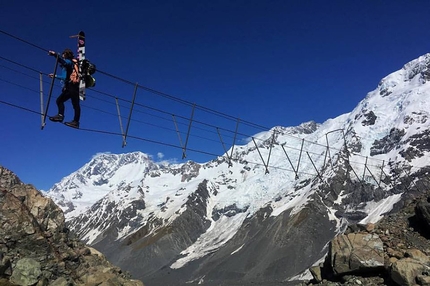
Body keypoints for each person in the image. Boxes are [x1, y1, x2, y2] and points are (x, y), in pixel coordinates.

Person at [48, 48, 80, 129]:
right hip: (71, 86)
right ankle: (65, 117)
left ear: (66, 55)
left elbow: (64, 76)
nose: (62, 55)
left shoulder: (69, 62)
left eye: (63, 54)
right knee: (66, 102)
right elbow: (65, 76)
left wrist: (55, 55)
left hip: (72, 86)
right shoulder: (70, 64)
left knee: (72, 103)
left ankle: (69, 119)